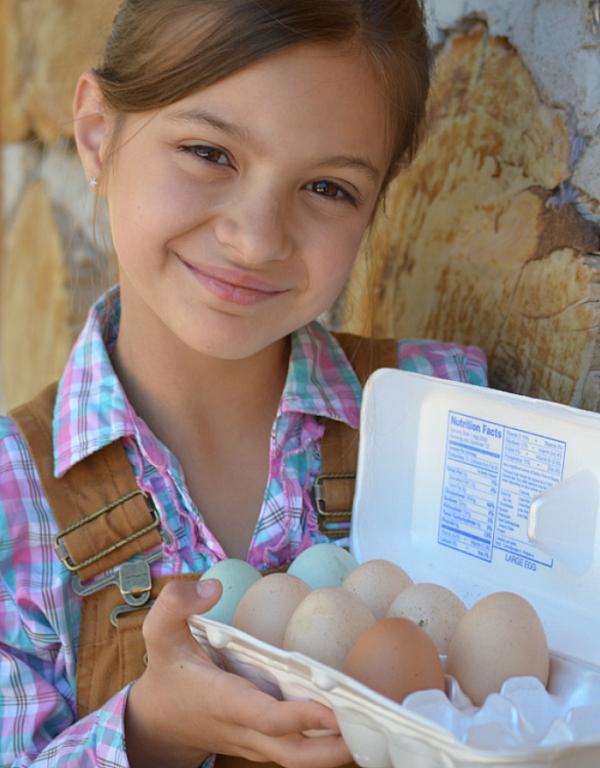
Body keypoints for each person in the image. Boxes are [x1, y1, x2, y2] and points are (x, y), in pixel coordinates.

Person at [0, 1, 487, 766]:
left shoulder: (450, 420)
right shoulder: (11, 499)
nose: (256, 238)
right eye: (208, 151)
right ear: (97, 135)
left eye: (327, 188)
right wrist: (149, 731)